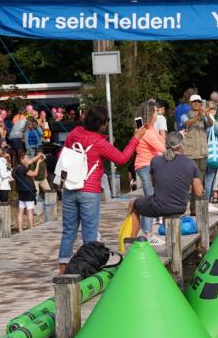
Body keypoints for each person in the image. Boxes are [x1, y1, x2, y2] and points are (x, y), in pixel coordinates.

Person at [57, 106, 141, 271]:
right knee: (90, 232)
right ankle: (88, 268)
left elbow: (62, 155)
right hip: (89, 191)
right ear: (101, 124)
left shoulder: (74, 133)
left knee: (69, 230)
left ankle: (63, 267)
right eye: (106, 121)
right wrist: (135, 138)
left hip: (69, 187)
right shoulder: (99, 142)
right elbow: (122, 158)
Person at [123, 132, 203, 247]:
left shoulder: (155, 160)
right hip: (180, 207)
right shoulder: (191, 163)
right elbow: (199, 192)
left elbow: (154, 184)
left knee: (133, 205)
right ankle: (171, 243)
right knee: (168, 204)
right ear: (181, 146)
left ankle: (131, 245)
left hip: (158, 206)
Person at [134, 100, 166, 239]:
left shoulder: (151, 128)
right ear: (150, 114)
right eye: (155, 111)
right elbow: (161, 148)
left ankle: (148, 232)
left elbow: (162, 142)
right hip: (145, 165)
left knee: (151, 198)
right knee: (150, 199)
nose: (157, 113)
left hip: (149, 165)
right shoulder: (146, 131)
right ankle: (147, 233)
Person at [14, 153, 46, 232]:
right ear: (22, 160)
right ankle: (31, 228)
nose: (28, 159)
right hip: (28, 191)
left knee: (21, 211)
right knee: (30, 211)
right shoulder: (24, 169)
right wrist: (38, 163)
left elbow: (31, 161)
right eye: (26, 158)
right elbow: (34, 174)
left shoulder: (17, 168)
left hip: (21, 192)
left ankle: (20, 229)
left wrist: (38, 156)